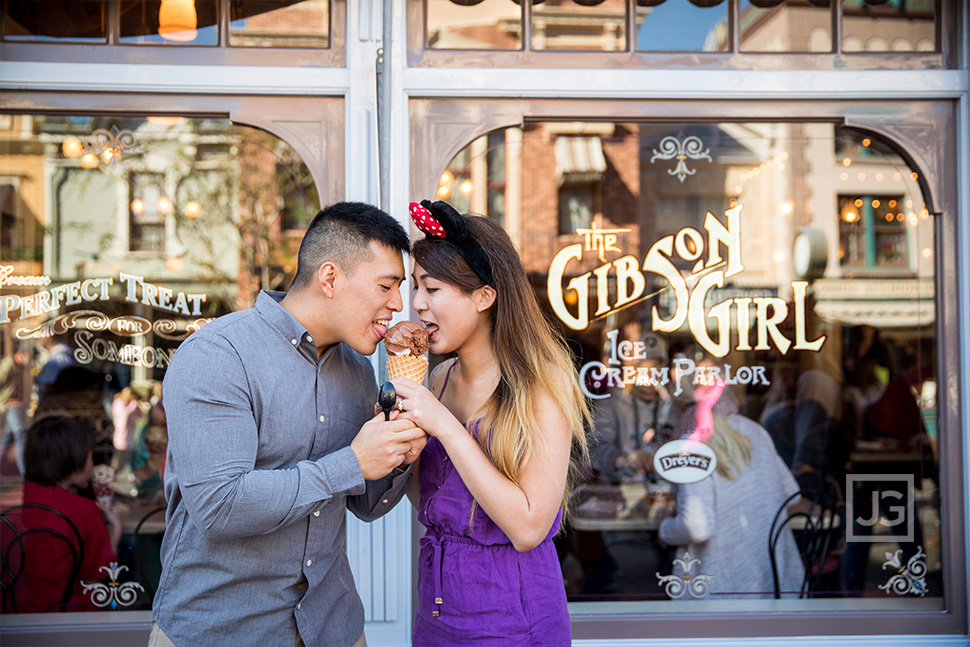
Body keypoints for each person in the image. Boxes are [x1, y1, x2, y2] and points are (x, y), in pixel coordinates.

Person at [151, 202, 428, 647]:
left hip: (333, 627)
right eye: (386, 285)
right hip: (224, 632)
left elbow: (365, 506)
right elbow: (220, 507)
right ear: (330, 277)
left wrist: (397, 460)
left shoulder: (359, 370)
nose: (398, 305)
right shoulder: (219, 355)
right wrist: (353, 462)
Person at [391, 200, 590, 646]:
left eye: (432, 289)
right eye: (416, 288)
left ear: (483, 296)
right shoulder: (438, 378)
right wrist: (400, 425)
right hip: (438, 603)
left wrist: (443, 425)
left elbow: (528, 527)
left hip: (512, 609)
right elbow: (429, 503)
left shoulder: (540, 383)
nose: (417, 305)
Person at [658, 385, 805, 599]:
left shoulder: (693, 444)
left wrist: (664, 528)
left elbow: (697, 527)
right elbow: (793, 493)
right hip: (775, 585)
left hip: (721, 595)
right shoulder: (756, 430)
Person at [7, 415, 121, 612]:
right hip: (65, 617)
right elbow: (96, 579)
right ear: (74, 459)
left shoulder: (14, 500)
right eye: (90, 457)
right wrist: (116, 532)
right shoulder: (83, 510)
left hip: (13, 614)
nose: (92, 466)